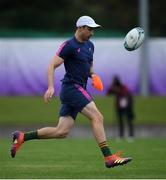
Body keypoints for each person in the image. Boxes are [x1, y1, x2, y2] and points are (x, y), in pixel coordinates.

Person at [10, 16, 132, 168]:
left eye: (94, 29)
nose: (92, 32)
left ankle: (22, 137)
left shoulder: (90, 46)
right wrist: (50, 87)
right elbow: (51, 66)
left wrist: (93, 76)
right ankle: (109, 157)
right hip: (72, 88)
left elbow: (89, 68)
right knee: (97, 117)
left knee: (61, 131)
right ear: (80, 28)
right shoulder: (69, 45)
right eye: (90, 29)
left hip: (79, 88)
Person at [107, 75, 135, 140]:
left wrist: (117, 90)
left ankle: (131, 135)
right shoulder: (114, 87)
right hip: (119, 106)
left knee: (128, 120)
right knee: (120, 120)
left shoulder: (123, 87)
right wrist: (113, 87)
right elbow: (108, 93)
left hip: (127, 106)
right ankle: (121, 135)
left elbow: (125, 94)